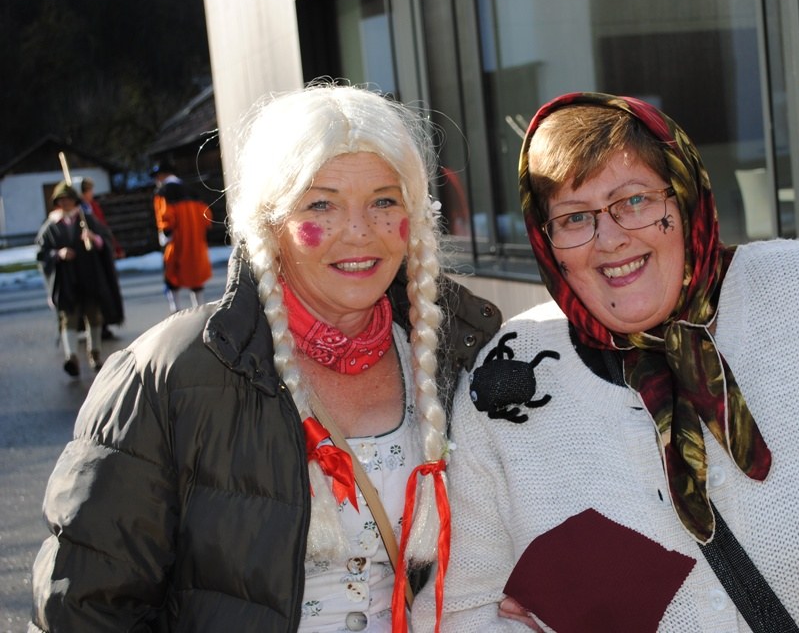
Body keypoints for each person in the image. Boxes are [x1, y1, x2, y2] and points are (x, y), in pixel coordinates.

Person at [412, 92, 799, 631]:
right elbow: (463, 610)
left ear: (684, 197)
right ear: (546, 238)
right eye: (575, 217)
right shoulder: (511, 374)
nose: (610, 239)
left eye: (635, 201)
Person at [30, 83, 501, 632]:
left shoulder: (464, 352)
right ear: (271, 222)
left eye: (383, 201)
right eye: (321, 204)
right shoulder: (169, 374)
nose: (359, 232)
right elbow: (86, 609)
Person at [35, 182, 123, 376]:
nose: (65, 203)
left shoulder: (87, 220)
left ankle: (95, 354)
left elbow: (106, 240)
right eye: (61, 200)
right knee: (69, 318)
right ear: (57, 203)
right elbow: (42, 253)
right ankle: (72, 357)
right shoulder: (51, 226)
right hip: (66, 280)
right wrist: (58, 254)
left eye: (69, 199)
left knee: (94, 316)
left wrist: (94, 239)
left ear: (75, 201)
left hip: (89, 276)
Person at [150, 159, 213, 312]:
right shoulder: (192, 190)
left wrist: (166, 235)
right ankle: (199, 309)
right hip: (196, 240)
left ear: (162, 175)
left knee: (172, 274)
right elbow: (207, 217)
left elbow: (166, 218)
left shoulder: (163, 192)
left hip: (176, 241)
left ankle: (175, 309)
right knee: (195, 274)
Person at [79, 176, 124, 339]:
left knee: (104, 292)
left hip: (99, 257)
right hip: (85, 261)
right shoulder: (77, 211)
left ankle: (103, 324)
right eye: (89, 191)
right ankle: (90, 326)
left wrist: (113, 246)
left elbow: (103, 229)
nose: (91, 194)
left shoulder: (92, 208)